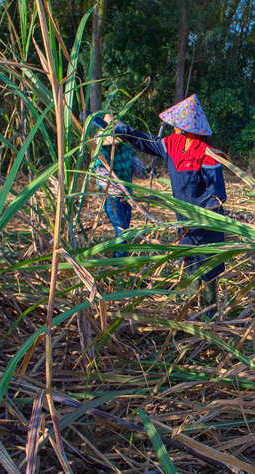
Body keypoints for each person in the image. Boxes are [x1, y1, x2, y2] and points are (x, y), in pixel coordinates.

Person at [104, 95, 226, 312]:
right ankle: (189, 313)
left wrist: (203, 215)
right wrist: (126, 131)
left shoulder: (208, 153)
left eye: (178, 123)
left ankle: (209, 315)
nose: (175, 126)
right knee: (189, 264)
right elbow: (147, 142)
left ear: (188, 127)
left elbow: (217, 194)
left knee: (207, 269)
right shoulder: (172, 144)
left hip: (207, 223)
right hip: (184, 222)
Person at [91, 115, 144, 257]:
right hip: (112, 198)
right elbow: (102, 177)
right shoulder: (102, 153)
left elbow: (134, 163)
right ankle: (120, 260)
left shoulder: (125, 148)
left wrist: (142, 169)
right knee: (122, 230)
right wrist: (121, 190)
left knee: (126, 226)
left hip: (128, 196)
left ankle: (120, 258)